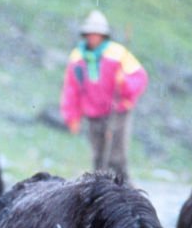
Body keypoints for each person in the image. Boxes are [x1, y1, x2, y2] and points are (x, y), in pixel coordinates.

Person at [60, 9, 148, 179]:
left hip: (118, 113)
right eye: (90, 33)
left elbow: (140, 78)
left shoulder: (118, 53)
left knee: (116, 158)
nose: (93, 37)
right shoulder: (77, 57)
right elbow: (71, 89)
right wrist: (72, 116)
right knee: (98, 159)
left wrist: (125, 83)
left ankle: (125, 194)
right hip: (93, 115)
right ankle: (100, 195)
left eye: (97, 33)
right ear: (85, 34)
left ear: (103, 35)